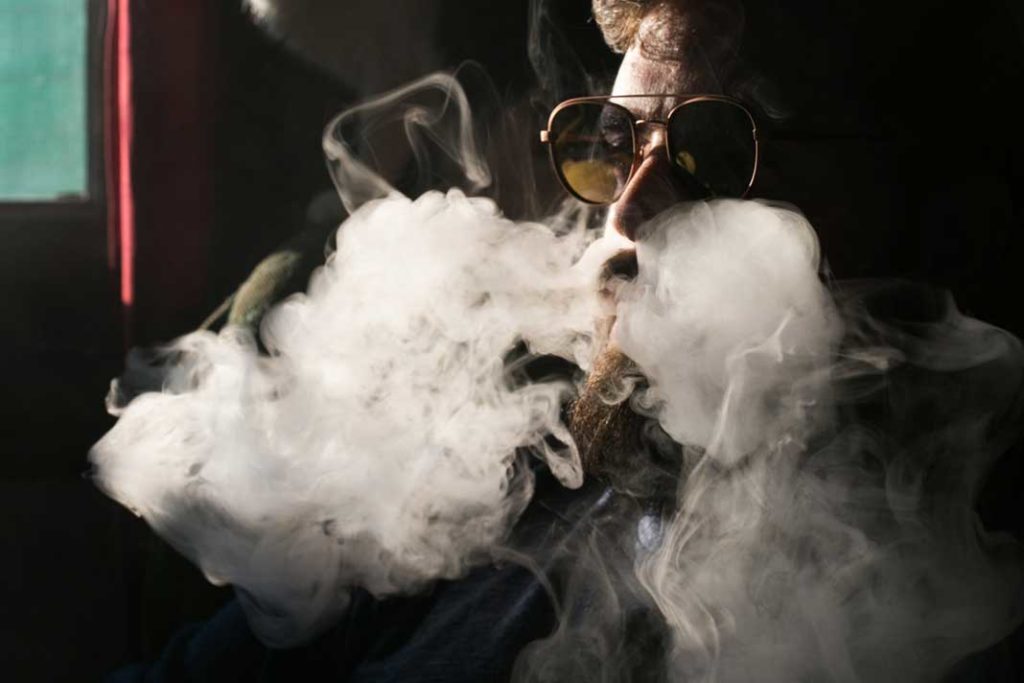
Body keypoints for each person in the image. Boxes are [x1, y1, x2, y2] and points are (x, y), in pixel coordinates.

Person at [107, 1, 1024, 681]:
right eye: (614, 147)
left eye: (711, 153)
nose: (627, 214)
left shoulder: (952, 610)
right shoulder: (479, 505)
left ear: (912, 203)